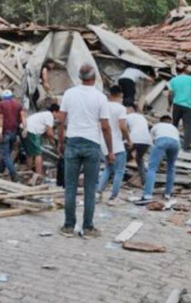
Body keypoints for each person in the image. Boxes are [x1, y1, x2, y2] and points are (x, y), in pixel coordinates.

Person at [58, 64, 113, 239]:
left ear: (79, 77)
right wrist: (110, 151)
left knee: (70, 187)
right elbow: (105, 127)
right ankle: (88, 228)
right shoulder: (100, 97)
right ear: (95, 77)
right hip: (92, 143)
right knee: (90, 188)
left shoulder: (69, 94)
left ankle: (68, 226)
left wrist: (60, 142)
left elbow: (61, 121)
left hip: (72, 141)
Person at [96, 85, 131, 204]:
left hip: (103, 142)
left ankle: (99, 191)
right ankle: (114, 195)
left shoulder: (103, 106)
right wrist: (129, 139)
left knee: (108, 168)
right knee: (119, 170)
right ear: (120, 95)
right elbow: (123, 126)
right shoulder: (120, 108)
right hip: (116, 143)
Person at [136, 115, 181, 205]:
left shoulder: (156, 126)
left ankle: (147, 195)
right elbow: (176, 140)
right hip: (176, 143)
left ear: (160, 121)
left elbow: (152, 141)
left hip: (161, 141)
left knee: (152, 168)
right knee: (171, 167)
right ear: (170, 122)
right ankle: (167, 194)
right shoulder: (174, 128)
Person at [0, 90, 25, 182]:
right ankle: (0, 169)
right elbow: (22, 117)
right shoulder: (17, 104)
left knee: (6, 153)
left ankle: (13, 174)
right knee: (6, 152)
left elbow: (1, 118)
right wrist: (24, 128)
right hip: (14, 132)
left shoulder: (1, 104)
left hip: (5, 132)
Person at [24, 104, 60, 177]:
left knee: (30, 153)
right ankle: (38, 174)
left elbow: (47, 134)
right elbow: (49, 133)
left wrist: (53, 142)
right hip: (33, 131)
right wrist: (56, 142)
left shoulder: (44, 114)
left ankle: (28, 172)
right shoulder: (49, 116)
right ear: (55, 112)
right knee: (38, 154)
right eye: (59, 113)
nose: (59, 116)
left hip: (27, 129)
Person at [167, 65, 191, 152]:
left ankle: (171, 144)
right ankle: (186, 147)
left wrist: (169, 105)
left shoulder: (173, 80)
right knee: (187, 127)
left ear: (176, 71)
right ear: (185, 70)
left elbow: (170, 94)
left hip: (176, 105)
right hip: (188, 106)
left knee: (174, 125)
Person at [125, 104, 151, 185]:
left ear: (130, 109)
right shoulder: (142, 117)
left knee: (122, 158)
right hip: (147, 141)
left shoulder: (127, 117)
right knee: (139, 159)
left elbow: (123, 130)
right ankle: (144, 181)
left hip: (134, 139)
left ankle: (115, 178)